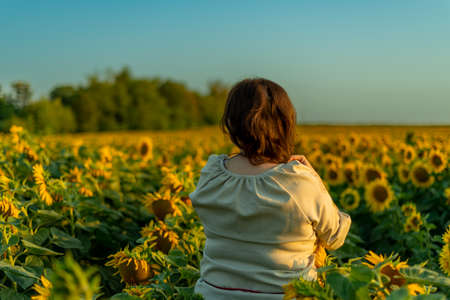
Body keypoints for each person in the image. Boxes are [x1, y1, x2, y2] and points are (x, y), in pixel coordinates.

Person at [189, 78, 351, 300]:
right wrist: (314, 178)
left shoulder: (212, 176)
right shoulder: (297, 183)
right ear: (285, 124)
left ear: (231, 124)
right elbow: (335, 236)